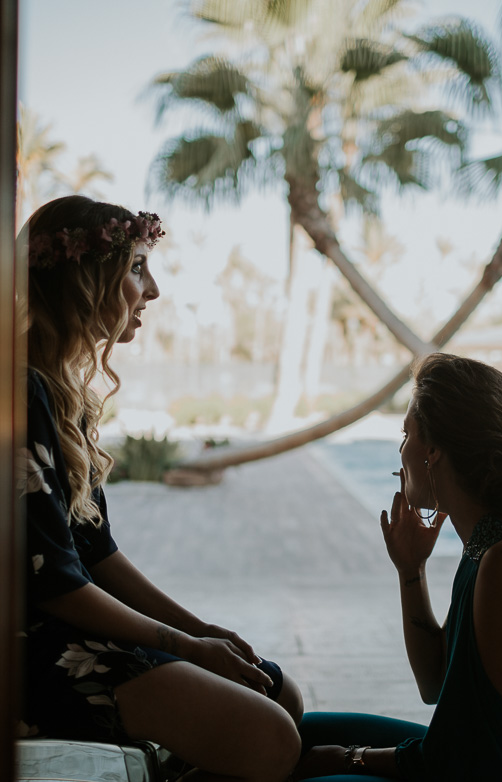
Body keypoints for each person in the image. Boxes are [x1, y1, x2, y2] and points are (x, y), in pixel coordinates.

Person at [18, 195, 303, 782]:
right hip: (27, 646)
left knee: (281, 693)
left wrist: (202, 632)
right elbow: (54, 583)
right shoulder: (20, 393)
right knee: (267, 734)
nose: (152, 291)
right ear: (84, 278)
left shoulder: (62, 394)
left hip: (68, 625)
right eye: (137, 269)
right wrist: (185, 646)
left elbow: (97, 552)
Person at [294, 353, 502, 781]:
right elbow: (434, 684)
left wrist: (352, 758)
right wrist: (411, 571)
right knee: (305, 731)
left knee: (322, 771)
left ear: (433, 452)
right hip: (488, 761)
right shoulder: (487, 544)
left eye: (406, 434)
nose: (401, 450)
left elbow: (482, 759)